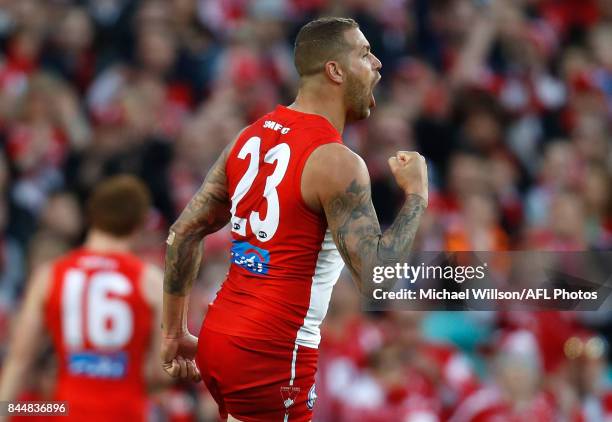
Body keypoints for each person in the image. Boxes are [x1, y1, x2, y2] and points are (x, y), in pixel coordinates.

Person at [161, 17, 429, 422]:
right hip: (272, 354)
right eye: (364, 54)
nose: (378, 64)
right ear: (334, 71)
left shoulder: (249, 136)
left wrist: (174, 331)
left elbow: (183, 233)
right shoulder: (338, 162)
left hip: (219, 335)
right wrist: (417, 196)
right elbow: (379, 279)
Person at [0, 175, 168, 421]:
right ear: (138, 224)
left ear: (91, 217)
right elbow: (162, 372)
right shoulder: (150, 281)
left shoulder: (50, 275)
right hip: (126, 413)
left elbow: (20, 361)